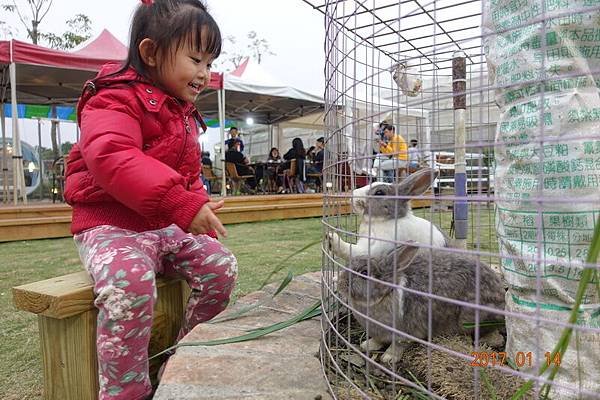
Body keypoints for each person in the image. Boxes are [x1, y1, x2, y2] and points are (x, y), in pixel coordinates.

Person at [63, 2, 237, 399]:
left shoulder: (183, 112)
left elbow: (187, 174)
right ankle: (128, 391)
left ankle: (184, 356)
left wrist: (198, 204)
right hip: (110, 226)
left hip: (162, 224)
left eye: (210, 63)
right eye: (195, 59)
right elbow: (113, 157)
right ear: (151, 53)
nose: (204, 74)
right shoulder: (112, 99)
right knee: (131, 285)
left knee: (221, 266)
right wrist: (181, 204)